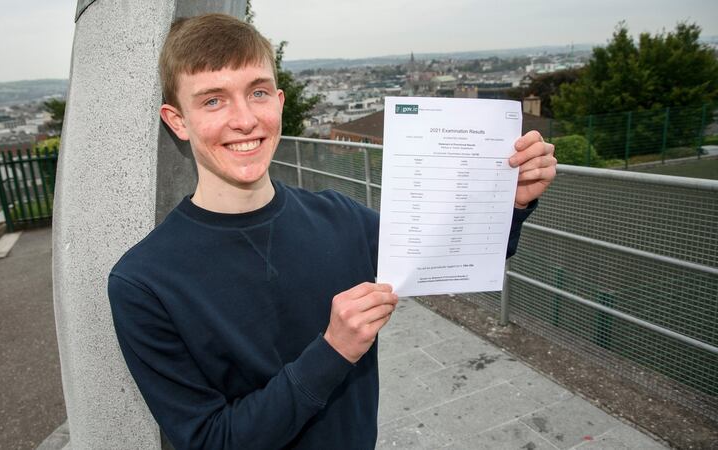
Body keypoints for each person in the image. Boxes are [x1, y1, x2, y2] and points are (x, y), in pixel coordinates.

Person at [108, 13, 556, 450]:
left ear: (280, 103)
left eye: (257, 92)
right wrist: (333, 351)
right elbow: (210, 439)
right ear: (177, 121)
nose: (244, 119)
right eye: (213, 100)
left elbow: (446, 256)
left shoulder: (341, 218)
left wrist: (508, 202)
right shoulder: (144, 283)